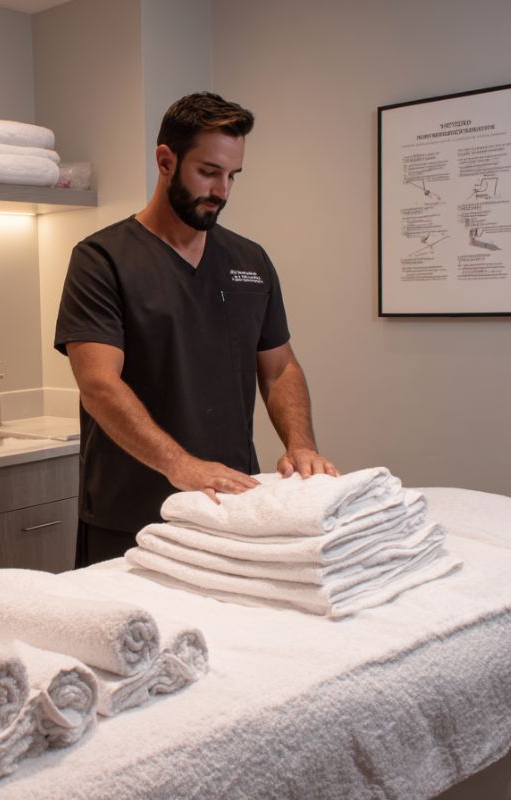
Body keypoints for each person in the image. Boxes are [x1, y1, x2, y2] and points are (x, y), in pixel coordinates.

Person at [54, 92, 339, 567]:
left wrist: (301, 445)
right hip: (132, 518)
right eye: (208, 172)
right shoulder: (102, 260)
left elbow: (279, 365)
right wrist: (180, 466)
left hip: (229, 509)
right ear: (166, 161)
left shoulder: (250, 261)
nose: (222, 190)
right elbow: (99, 385)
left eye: (232, 176)